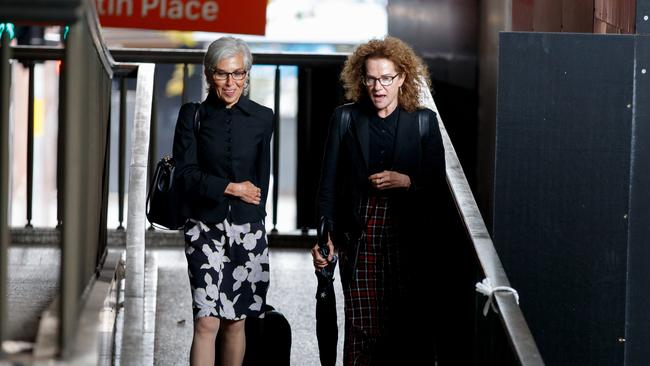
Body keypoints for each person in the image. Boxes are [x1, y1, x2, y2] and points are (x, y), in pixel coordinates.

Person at [312, 36, 446, 365]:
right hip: (359, 237)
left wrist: (407, 181)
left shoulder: (423, 122)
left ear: (402, 77)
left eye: (386, 78)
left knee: (404, 329)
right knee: (361, 327)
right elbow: (327, 185)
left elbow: (437, 186)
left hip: (407, 239)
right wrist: (323, 239)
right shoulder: (345, 118)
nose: (378, 86)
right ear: (362, 79)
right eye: (371, 78)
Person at [173, 36, 274, 366]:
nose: (231, 83)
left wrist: (254, 215)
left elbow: (262, 178)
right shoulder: (192, 115)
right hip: (202, 226)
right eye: (222, 74)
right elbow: (186, 175)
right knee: (206, 321)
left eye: (238, 74)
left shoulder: (263, 117)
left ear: (247, 74)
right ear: (207, 74)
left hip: (248, 230)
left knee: (236, 320)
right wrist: (232, 188)